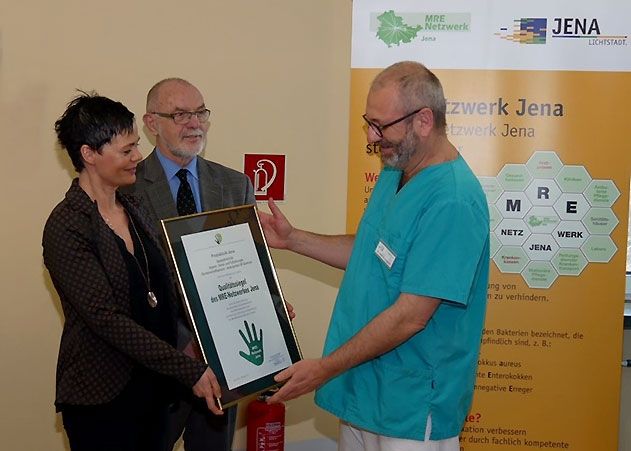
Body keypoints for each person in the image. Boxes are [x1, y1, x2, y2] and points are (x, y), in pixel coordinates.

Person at [260, 61, 490, 451]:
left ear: (422, 120)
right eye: (369, 122)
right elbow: (371, 252)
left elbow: (411, 316)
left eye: (381, 126)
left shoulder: (453, 200)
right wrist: (294, 239)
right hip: (364, 391)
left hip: (411, 409)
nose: (371, 136)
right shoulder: (396, 170)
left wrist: (323, 369)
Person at [43, 92, 223, 451]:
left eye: (135, 146)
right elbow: (105, 319)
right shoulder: (67, 225)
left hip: (155, 390)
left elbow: (170, 287)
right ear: (89, 155)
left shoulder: (135, 206)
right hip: (103, 398)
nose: (138, 157)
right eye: (126, 151)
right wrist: (188, 370)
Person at [123, 78, 255, 451]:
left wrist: (266, 307)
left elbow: (244, 270)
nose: (194, 123)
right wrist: (184, 346)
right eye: (180, 114)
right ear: (151, 123)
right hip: (157, 364)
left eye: (200, 113)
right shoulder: (126, 190)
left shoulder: (235, 185)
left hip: (223, 363)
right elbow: (130, 285)